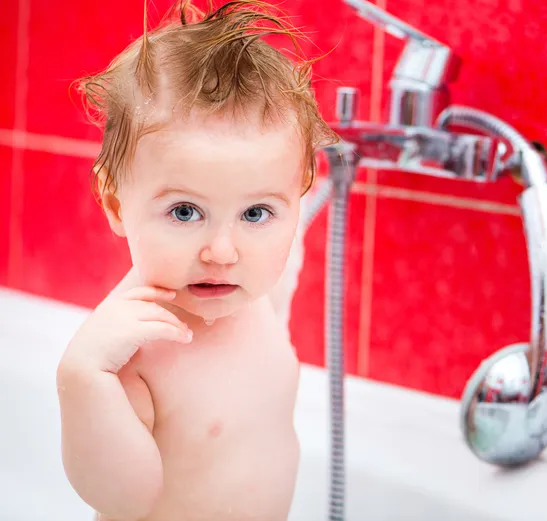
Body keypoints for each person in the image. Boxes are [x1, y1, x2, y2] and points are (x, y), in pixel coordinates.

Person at [56, 2, 337, 520]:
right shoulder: (135, 351)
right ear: (117, 205)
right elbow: (121, 498)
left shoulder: (254, 292)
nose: (223, 252)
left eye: (256, 212)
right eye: (185, 212)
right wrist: (85, 376)